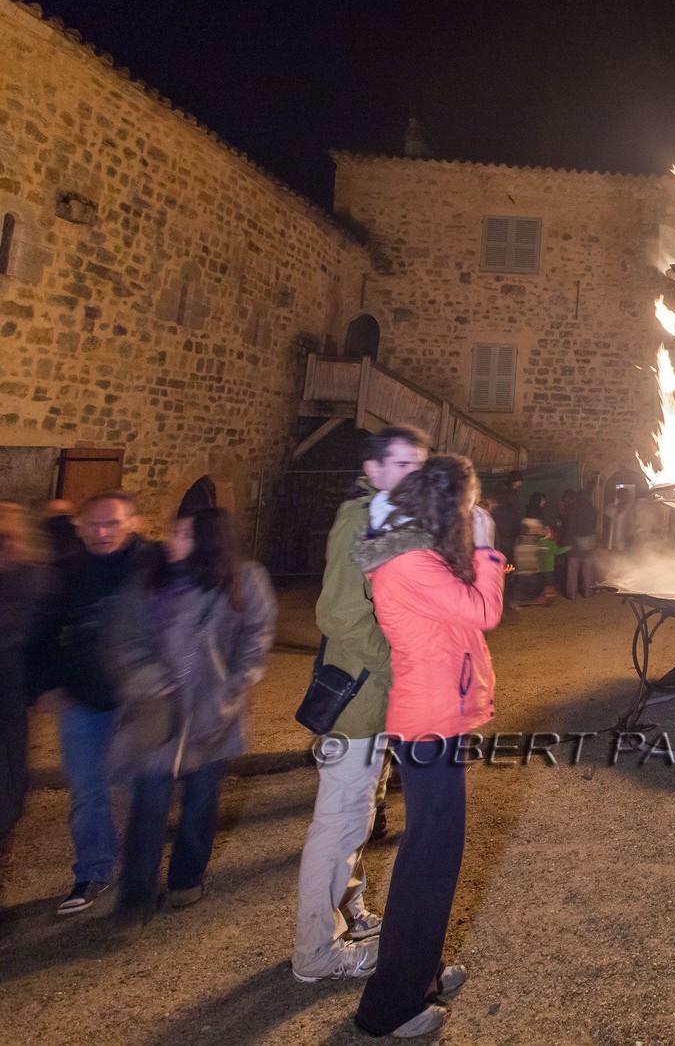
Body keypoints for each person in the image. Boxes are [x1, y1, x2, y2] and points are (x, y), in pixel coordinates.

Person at [351, 453, 505, 1039]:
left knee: (435, 859)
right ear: (451, 506)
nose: (476, 512)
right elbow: (483, 611)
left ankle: (422, 973)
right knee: (427, 867)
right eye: (470, 504)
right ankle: (387, 1007)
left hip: (438, 718)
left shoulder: (417, 555)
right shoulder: (409, 563)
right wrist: (487, 546)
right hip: (429, 725)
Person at [293, 424, 428, 983]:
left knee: (361, 810)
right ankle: (316, 953)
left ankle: (348, 912)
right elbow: (340, 614)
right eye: (399, 465)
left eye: (418, 466)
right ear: (373, 470)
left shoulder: (387, 518)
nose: (411, 476)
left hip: (375, 700)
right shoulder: (358, 518)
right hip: (359, 698)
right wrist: (400, 667)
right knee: (340, 820)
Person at [107, 507, 276, 936]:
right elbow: (124, 638)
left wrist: (231, 689)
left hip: (211, 714)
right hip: (159, 715)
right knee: (147, 808)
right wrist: (147, 677)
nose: (171, 541)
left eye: (183, 534)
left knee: (201, 803)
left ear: (208, 539)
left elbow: (256, 641)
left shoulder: (245, 579)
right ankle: (135, 901)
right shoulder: (150, 580)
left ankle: (186, 881)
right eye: (171, 531)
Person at [35, 490, 161, 915]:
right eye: (93, 524)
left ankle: (137, 874)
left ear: (133, 523)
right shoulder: (68, 572)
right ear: (80, 527)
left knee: (132, 789)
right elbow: (46, 632)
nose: (102, 532)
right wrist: (48, 682)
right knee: (88, 791)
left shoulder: (153, 565)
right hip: (83, 698)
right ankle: (92, 870)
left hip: (135, 700)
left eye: (113, 523)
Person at [0, 504, 56, 866]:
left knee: (10, 764)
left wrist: (45, 682)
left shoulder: (35, 578)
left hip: (11, 679)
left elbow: (43, 634)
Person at [559, 486, 599, 598]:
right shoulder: (592, 510)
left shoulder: (572, 509)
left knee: (572, 569)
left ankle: (571, 593)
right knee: (588, 569)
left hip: (574, 543)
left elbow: (569, 527)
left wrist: (566, 542)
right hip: (589, 543)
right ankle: (587, 592)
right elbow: (594, 528)